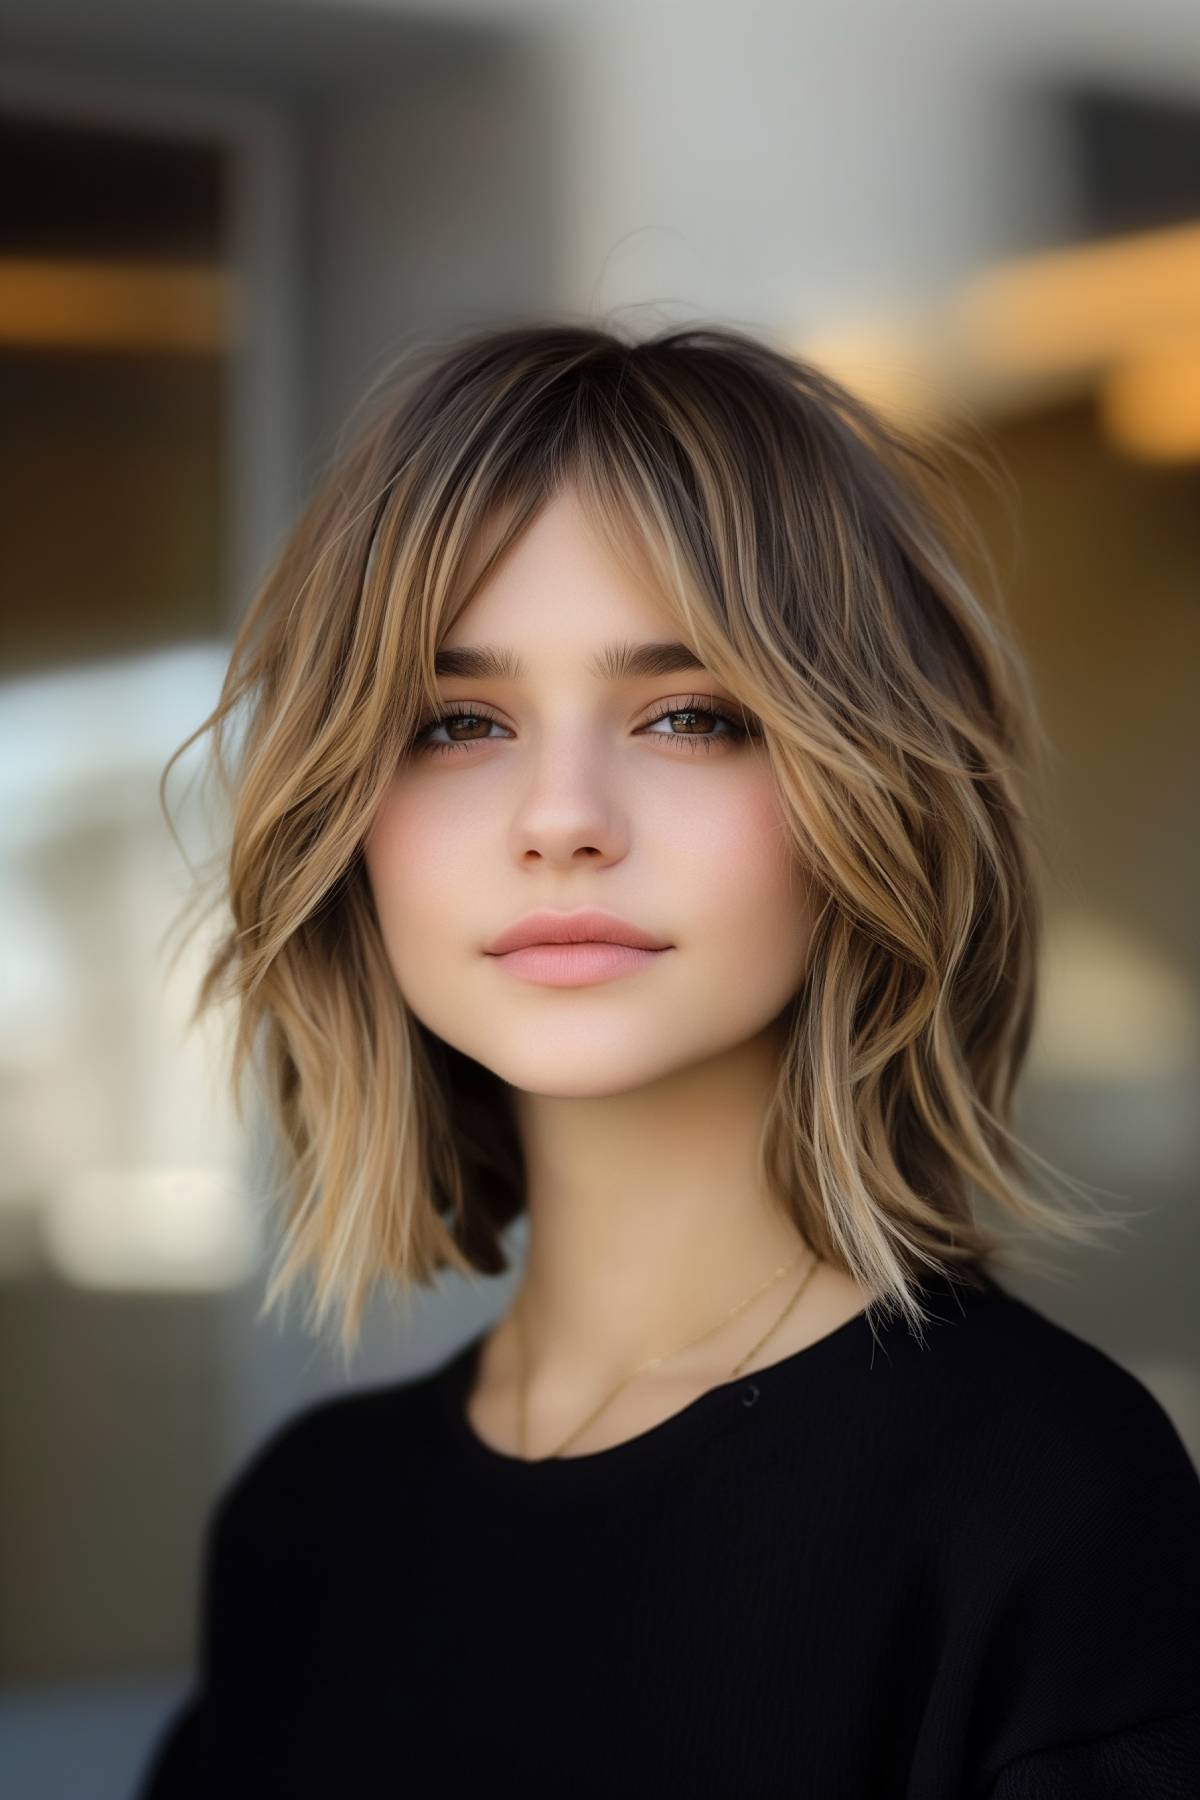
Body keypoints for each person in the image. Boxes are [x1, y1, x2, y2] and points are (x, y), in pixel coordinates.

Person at [137, 319, 1200, 1798]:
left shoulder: (1040, 1496)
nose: (562, 815)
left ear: (867, 793)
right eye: (458, 721)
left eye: (689, 716)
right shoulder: (306, 1526)